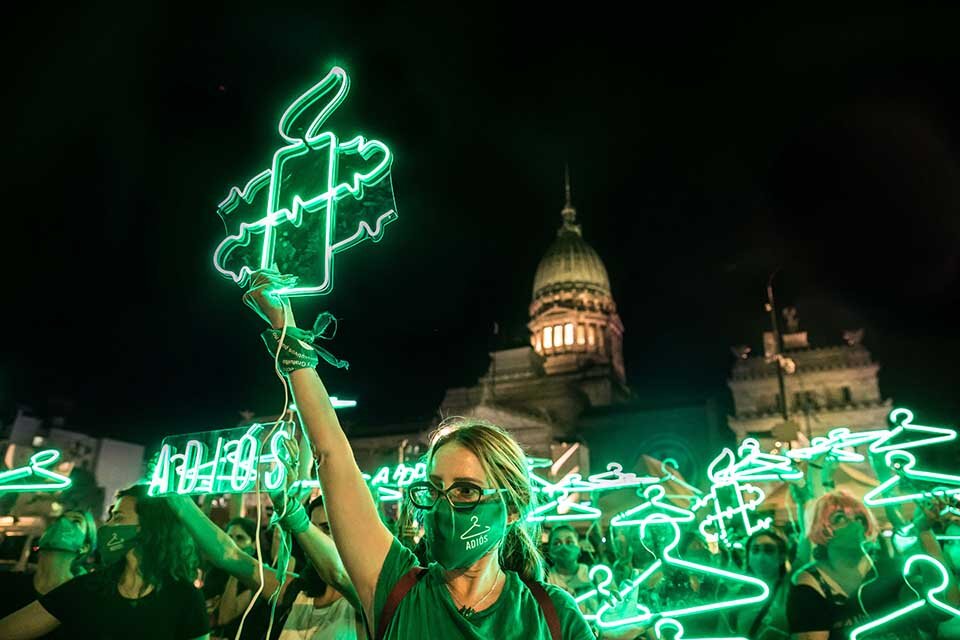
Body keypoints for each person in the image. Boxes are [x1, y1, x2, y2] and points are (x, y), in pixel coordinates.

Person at [243, 268, 594, 640]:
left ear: (512, 508)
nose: (443, 507)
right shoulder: (396, 588)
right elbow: (332, 455)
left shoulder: (554, 616)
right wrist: (286, 326)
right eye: (434, 489)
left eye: (466, 491)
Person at [0, 484, 210, 640]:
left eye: (118, 518)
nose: (107, 526)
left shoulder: (185, 597)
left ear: (149, 527)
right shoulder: (89, 588)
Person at [786, 489, 957, 640]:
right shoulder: (810, 585)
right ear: (822, 529)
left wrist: (923, 530)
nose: (855, 523)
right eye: (840, 518)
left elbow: (945, 607)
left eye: (859, 517)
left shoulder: (891, 571)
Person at [0, 509, 97, 638]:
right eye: (58, 520)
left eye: (75, 522)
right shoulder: (7, 584)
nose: (62, 523)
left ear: (85, 546)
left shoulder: (84, 601)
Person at [726, 529, 789, 640]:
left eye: (769, 550)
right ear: (748, 557)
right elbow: (723, 633)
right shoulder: (736, 595)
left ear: (781, 557)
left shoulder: (794, 591)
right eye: (755, 550)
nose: (761, 557)